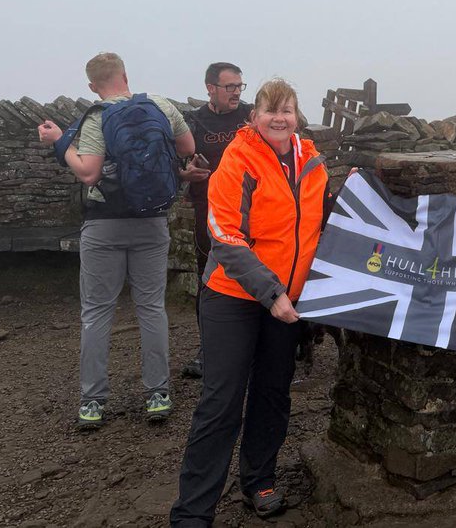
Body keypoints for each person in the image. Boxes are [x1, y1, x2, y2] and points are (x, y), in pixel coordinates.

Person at [171, 78, 328, 525]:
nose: (279, 118)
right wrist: (271, 292)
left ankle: (259, 480)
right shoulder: (237, 160)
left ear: (298, 116)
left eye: (288, 110)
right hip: (233, 298)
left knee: (273, 394)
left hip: (287, 303)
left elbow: (319, 225)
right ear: (254, 117)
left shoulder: (312, 163)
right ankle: (192, 512)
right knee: (221, 402)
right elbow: (224, 236)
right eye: (270, 110)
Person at [36, 52, 194, 429]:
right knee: (152, 308)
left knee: (96, 312)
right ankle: (158, 394)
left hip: (104, 226)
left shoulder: (97, 116)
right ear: (125, 75)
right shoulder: (160, 105)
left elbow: (88, 173)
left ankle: (93, 401)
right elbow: (187, 149)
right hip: (153, 221)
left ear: (92, 86)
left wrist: (59, 141)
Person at [179, 62, 253, 379]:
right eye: (230, 86)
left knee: (254, 278)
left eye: (239, 86)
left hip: (251, 213)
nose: (236, 91)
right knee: (209, 280)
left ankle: (253, 349)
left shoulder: (251, 115)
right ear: (210, 88)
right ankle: (208, 350)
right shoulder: (193, 122)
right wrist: (185, 173)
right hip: (207, 212)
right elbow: (175, 162)